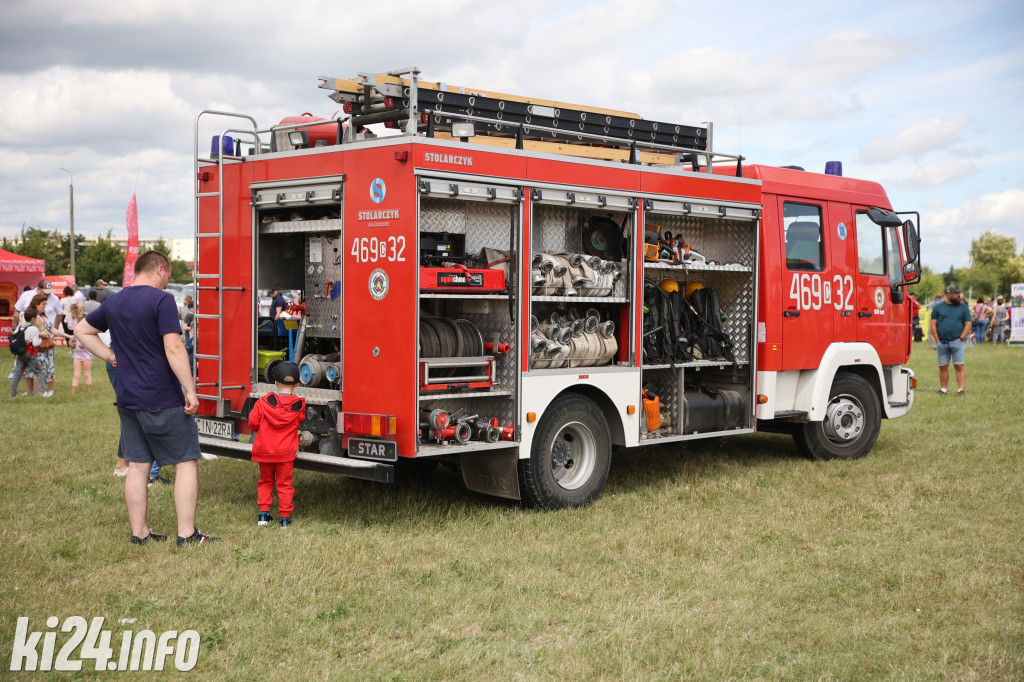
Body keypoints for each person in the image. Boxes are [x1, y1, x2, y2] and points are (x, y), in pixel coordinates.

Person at [75, 250, 218, 546]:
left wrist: (110, 355)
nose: (167, 283)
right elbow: (175, 348)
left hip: (128, 397)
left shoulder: (114, 300)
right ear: (161, 269)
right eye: (167, 276)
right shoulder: (162, 300)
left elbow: (81, 330)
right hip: (161, 396)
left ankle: (139, 533)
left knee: (138, 465)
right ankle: (187, 534)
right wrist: (190, 390)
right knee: (186, 462)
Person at [247, 362, 306, 528]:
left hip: (264, 450)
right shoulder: (299, 405)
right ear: (296, 384)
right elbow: (300, 420)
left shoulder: (263, 402)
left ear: (275, 382)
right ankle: (285, 519)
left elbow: (252, 422)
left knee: (265, 481)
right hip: (285, 453)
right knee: (284, 484)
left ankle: (263, 515)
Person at [930, 284, 972, 396]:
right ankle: (943, 389)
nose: (959, 295)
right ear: (948, 294)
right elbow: (933, 324)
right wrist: (937, 340)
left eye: (959, 293)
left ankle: (960, 390)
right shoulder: (938, 307)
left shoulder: (963, 307)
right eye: (956, 293)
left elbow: (968, 323)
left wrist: (961, 338)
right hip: (942, 342)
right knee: (943, 366)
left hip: (957, 342)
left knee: (959, 365)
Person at [8, 307, 45, 399]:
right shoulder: (34, 329)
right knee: (39, 372)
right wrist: (41, 339)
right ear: (33, 318)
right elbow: (35, 343)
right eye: (36, 318)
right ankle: (42, 392)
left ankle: (12, 395)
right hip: (30, 353)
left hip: (20, 353)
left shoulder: (19, 327)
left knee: (17, 374)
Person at [65, 303, 93, 395]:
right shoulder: (76, 332)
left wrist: (85, 345)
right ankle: (73, 391)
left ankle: (89, 391)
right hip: (77, 355)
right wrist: (72, 344)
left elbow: (92, 344)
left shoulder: (90, 333)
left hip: (87, 356)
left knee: (86, 373)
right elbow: (73, 340)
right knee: (76, 374)